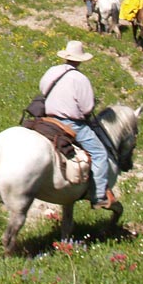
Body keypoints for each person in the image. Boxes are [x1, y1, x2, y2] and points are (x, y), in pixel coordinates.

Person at [39, 40, 118, 210]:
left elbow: (43, 89)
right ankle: (98, 196)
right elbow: (87, 107)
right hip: (70, 123)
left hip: (48, 119)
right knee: (99, 154)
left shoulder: (53, 71)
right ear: (80, 60)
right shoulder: (80, 78)